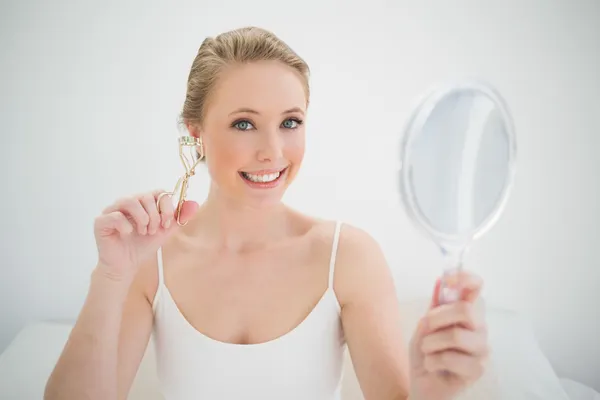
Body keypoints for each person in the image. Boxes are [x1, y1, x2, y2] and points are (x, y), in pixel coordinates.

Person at [44, 26, 489, 400]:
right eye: (244, 123)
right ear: (196, 134)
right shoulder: (150, 259)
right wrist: (110, 277)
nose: (272, 152)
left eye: (290, 122)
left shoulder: (348, 257)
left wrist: (431, 388)